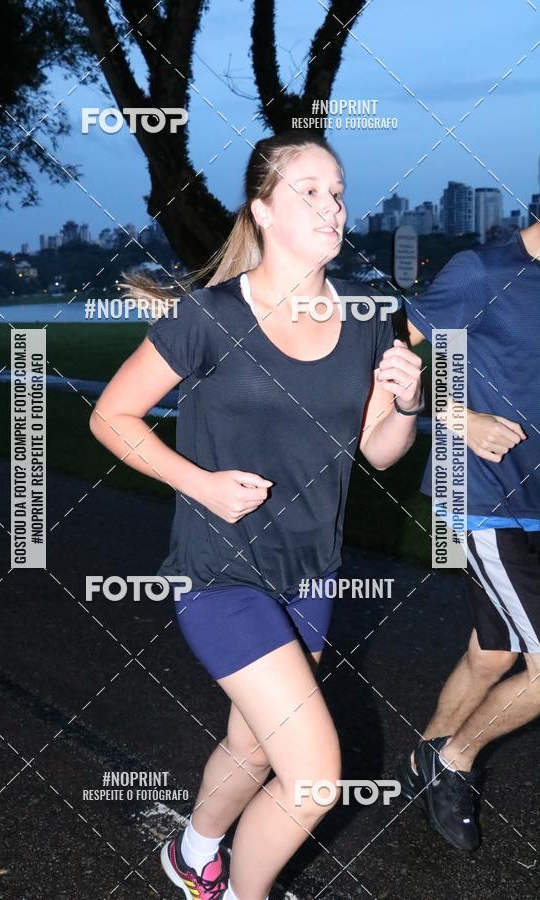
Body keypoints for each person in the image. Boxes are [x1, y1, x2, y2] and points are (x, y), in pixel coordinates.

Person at [90, 130, 423, 900]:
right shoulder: (210, 317)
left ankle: (194, 852)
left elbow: (379, 450)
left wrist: (408, 401)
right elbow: (112, 417)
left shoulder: (372, 317)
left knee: (253, 746)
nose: (332, 205)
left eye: (338, 191)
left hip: (309, 575)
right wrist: (199, 484)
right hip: (220, 573)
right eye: (309, 190)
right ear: (263, 210)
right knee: (315, 779)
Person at [398, 219, 540, 852]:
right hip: (482, 495)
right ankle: (455, 761)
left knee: (494, 651)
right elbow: (389, 358)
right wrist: (460, 416)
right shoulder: (480, 270)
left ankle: (421, 762)